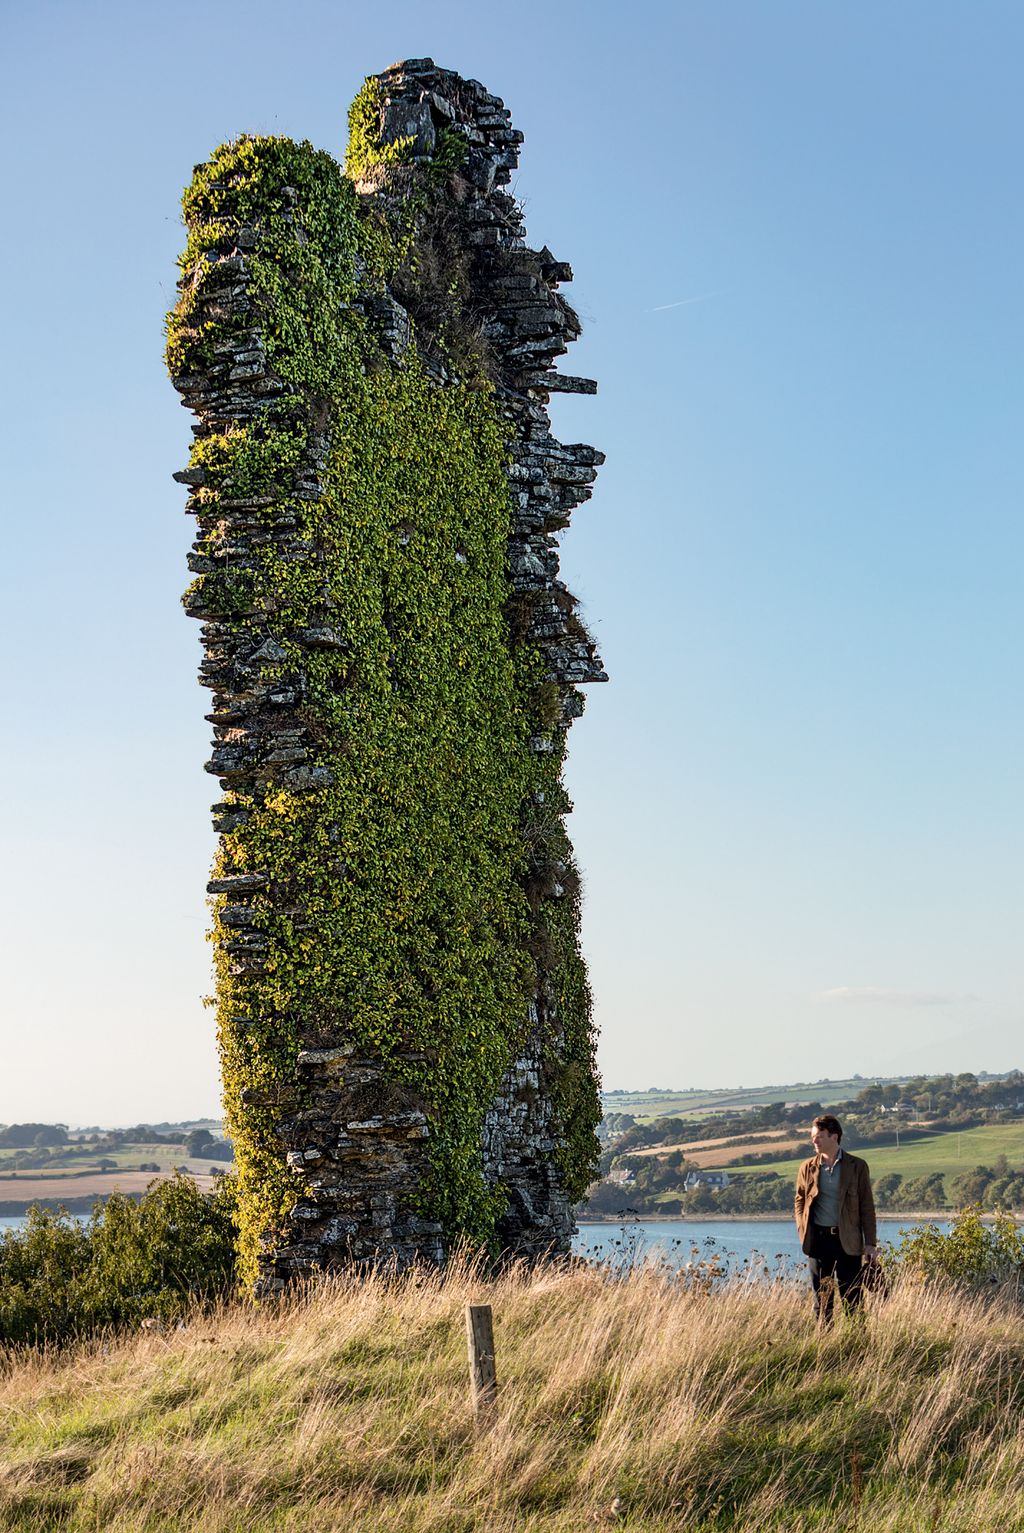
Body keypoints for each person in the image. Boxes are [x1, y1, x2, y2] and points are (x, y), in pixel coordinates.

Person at [794, 1114, 878, 1322]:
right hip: (818, 1243)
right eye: (813, 1137)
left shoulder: (857, 1166)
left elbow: (867, 1206)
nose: (814, 1141)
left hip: (848, 1242)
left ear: (835, 1136)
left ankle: (856, 1346)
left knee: (853, 1299)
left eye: (819, 1136)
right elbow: (799, 1201)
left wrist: (870, 1244)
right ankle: (824, 1348)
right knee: (822, 1302)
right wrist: (802, 1230)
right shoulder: (807, 1167)